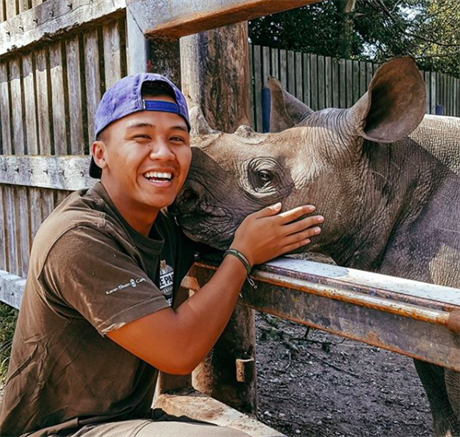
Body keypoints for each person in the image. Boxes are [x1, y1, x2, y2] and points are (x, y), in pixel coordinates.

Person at [0, 73, 324, 437]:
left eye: (177, 139)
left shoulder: (163, 225)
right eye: (141, 137)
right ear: (100, 154)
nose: (164, 153)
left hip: (124, 419)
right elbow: (178, 350)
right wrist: (243, 255)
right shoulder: (78, 237)